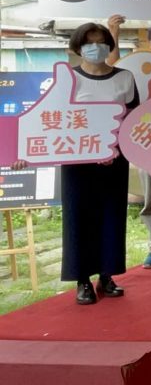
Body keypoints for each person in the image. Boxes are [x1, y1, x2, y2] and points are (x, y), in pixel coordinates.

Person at [11, 23, 139, 304]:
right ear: (78, 48)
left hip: (113, 162)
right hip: (77, 164)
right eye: (89, 43)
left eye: (101, 42)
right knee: (78, 218)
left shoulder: (125, 78)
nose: (96, 48)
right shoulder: (67, 78)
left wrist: (117, 148)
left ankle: (107, 275)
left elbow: (134, 119)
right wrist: (23, 152)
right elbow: (45, 118)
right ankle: (82, 280)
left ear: (109, 45)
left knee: (112, 217)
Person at [106, 15, 151, 269]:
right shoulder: (138, 66)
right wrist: (113, 33)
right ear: (150, 41)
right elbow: (112, 69)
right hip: (150, 140)